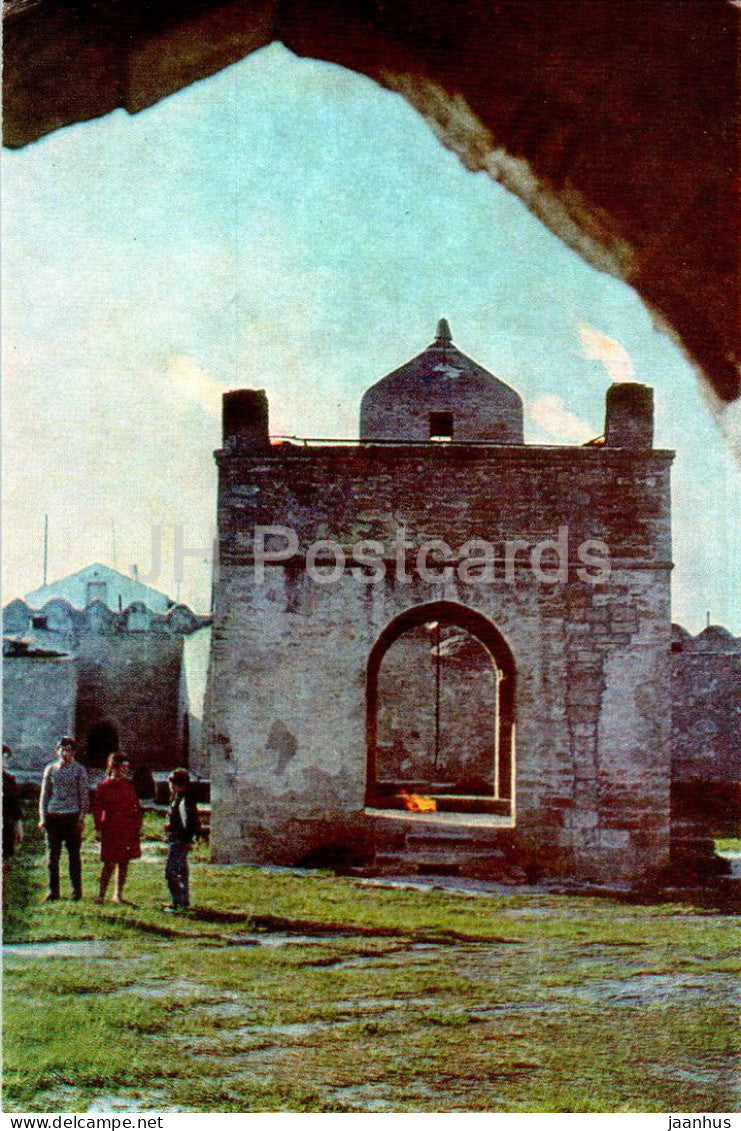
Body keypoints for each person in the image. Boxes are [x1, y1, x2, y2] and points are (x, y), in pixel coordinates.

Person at [38, 737, 89, 901]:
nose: (65, 753)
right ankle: (53, 891)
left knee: (74, 855)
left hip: (71, 816)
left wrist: (81, 818)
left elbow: (84, 796)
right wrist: (42, 817)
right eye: (62, 749)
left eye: (69, 750)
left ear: (74, 752)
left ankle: (76, 891)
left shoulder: (79, 770)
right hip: (54, 816)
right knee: (53, 856)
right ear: (57, 750)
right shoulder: (50, 769)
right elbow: (44, 795)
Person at [92, 752, 143, 904]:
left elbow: (136, 807)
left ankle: (118, 894)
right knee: (109, 862)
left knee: (124, 862)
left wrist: (138, 826)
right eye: (123, 767)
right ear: (113, 768)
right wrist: (98, 829)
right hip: (111, 828)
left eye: (127, 767)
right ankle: (101, 895)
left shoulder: (129, 785)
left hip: (128, 828)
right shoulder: (103, 786)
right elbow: (97, 810)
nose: (126, 770)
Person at [164, 768, 200, 911]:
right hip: (175, 840)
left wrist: (187, 841)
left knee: (172, 872)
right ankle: (182, 902)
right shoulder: (176, 798)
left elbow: (190, 823)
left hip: (180, 841)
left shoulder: (185, 801)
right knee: (180, 872)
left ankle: (178, 902)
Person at [2, 746, 24, 906]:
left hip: (6, 826)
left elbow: (15, 807)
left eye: (5, 757)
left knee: (4, 863)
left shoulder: (9, 780)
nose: (5, 760)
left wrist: (19, 826)